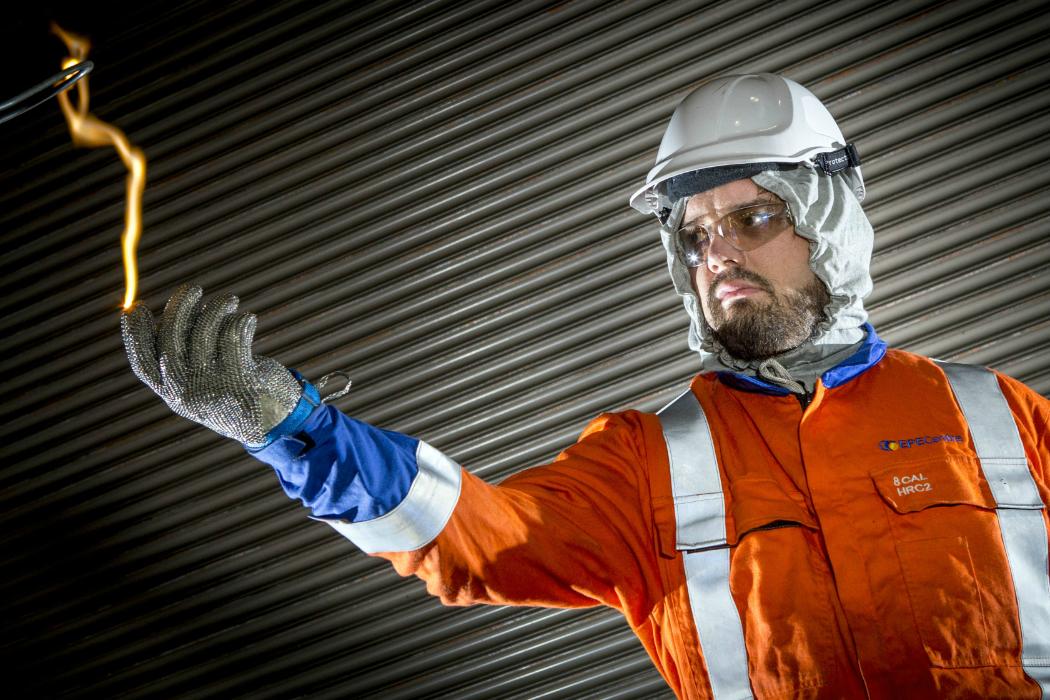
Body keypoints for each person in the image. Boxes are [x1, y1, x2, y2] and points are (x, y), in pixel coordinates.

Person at [121, 73, 1050, 699]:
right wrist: (294, 430)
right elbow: (477, 543)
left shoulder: (1001, 419)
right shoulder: (649, 465)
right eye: (693, 234)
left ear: (831, 220)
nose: (716, 249)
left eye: (755, 215)